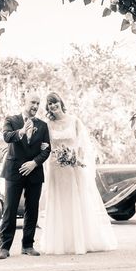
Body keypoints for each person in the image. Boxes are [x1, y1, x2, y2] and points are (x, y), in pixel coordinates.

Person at [38, 92, 117, 254]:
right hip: (55, 167)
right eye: (50, 104)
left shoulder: (74, 121)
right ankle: (60, 243)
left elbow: (83, 145)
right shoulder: (47, 125)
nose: (53, 106)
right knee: (59, 201)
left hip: (73, 167)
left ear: (61, 102)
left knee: (76, 200)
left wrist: (76, 158)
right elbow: (45, 145)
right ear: (48, 108)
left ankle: (81, 241)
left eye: (55, 102)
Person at [0, 93, 51, 259]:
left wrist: (34, 163)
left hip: (34, 172)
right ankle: (4, 248)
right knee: (10, 208)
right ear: (25, 102)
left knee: (32, 209)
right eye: (32, 102)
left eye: (38, 103)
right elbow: (6, 137)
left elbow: (47, 149)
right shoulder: (11, 120)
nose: (35, 106)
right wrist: (21, 132)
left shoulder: (42, 125)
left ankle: (28, 245)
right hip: (14, 170)